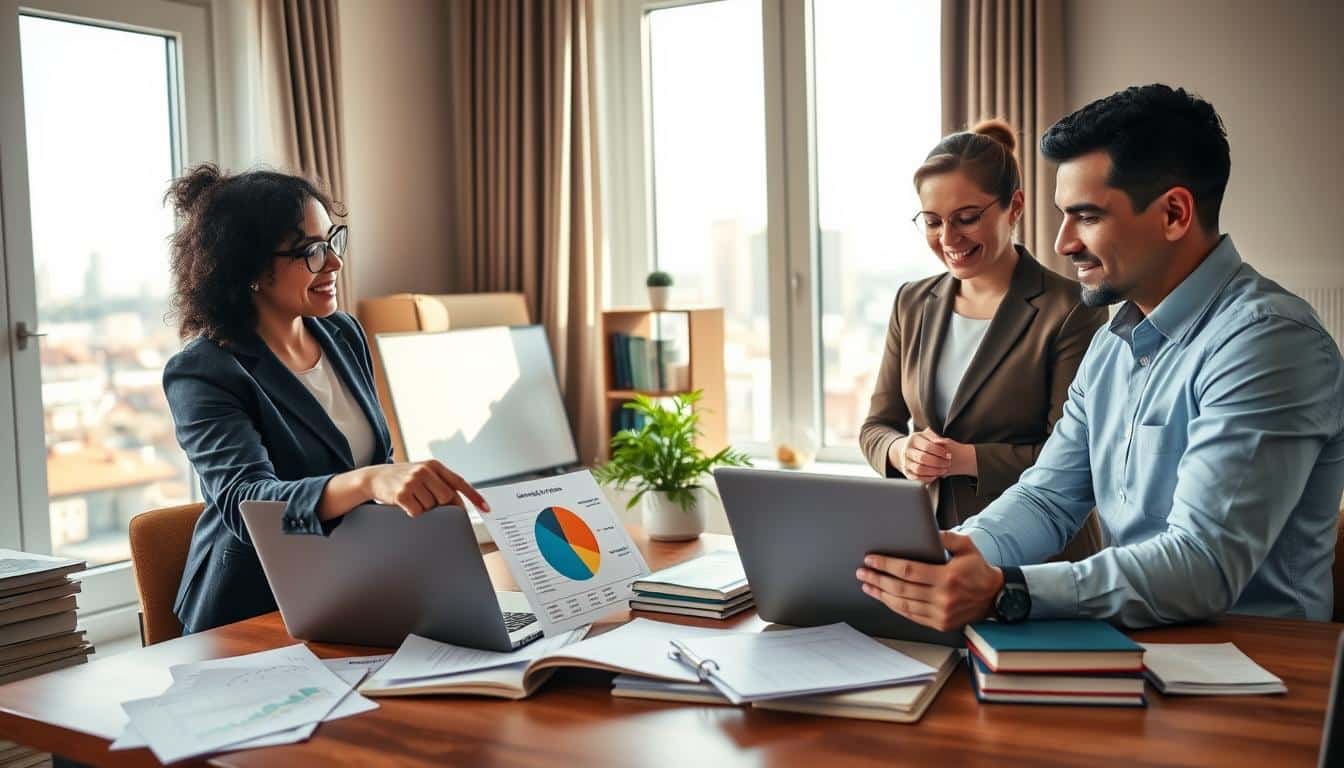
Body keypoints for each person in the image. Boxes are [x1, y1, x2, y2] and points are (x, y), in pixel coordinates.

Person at [856, 84, 1344, 629]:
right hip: (1141, 649)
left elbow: (1203, 565)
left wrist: (1007, 588)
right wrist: (954, 555)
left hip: (1262, 667)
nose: (1063, 242)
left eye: (1086, 216)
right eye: (1063, 215)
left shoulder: (1268, 342)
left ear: (1175, 213)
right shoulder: (1113, 344)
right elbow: (1046, 498)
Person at [162, 164, 488, 634]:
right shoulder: (204, 371)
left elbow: (376, 459)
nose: (333, 263)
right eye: (310, 251)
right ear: (249, 267)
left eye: (332, 240)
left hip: (355, 589)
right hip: (253, 614)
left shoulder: (342, 333)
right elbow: (247, 502)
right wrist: (369, 482)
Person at [859, 118, 1107, 559]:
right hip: (931, 546)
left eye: (967, 219)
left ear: (1014, 207)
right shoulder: (911, 302)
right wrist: (901, 450)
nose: (948, 239)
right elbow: (877, 427)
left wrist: (964, 459)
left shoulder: (1069, 307)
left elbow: (1074, 456)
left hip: (1039, 557)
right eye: (932, 222)